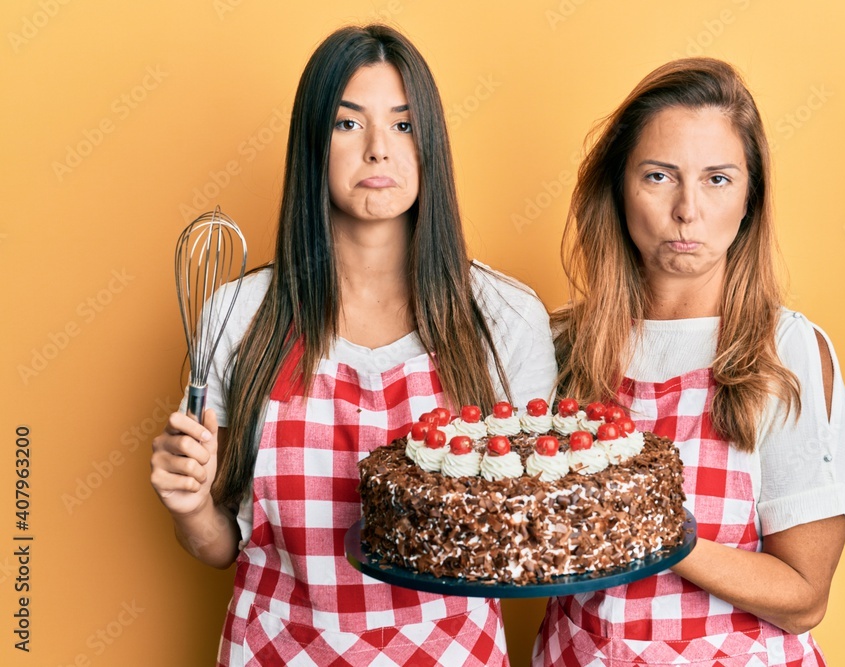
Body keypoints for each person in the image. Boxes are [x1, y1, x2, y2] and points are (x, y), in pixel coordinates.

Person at [150, 24, 556, 666]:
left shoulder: (504, 318)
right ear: (312, 142)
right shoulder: (239, 314)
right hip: (277, 649)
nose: (377, 151)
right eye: (347, 125)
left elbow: (528, 531)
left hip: (450, 651)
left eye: (402, 125)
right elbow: (220, 545)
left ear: (431, 147)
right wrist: (190, 502)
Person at [534, 58, 845, 666]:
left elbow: (804, 597)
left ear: (749, 200)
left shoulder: (784, 354)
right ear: (618, 190)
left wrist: (655, 536)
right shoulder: (560, 346)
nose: (687, 210)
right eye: (659, 176)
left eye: (717, 179)